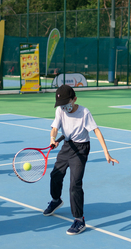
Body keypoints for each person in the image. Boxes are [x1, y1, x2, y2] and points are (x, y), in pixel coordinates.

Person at [43, 85, 119, 235]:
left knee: (75, 184)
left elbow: (96, 130)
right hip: (67, 146)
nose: (64, 108)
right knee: (55, 175)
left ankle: (79, 219)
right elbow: (55, 127)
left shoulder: (84, 112)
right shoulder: (60, 110)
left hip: (81, 148)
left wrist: (106, 153)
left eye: (67, 104)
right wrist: (52, 138)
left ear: (74, 99)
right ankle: (56, 200)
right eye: (61, 105)